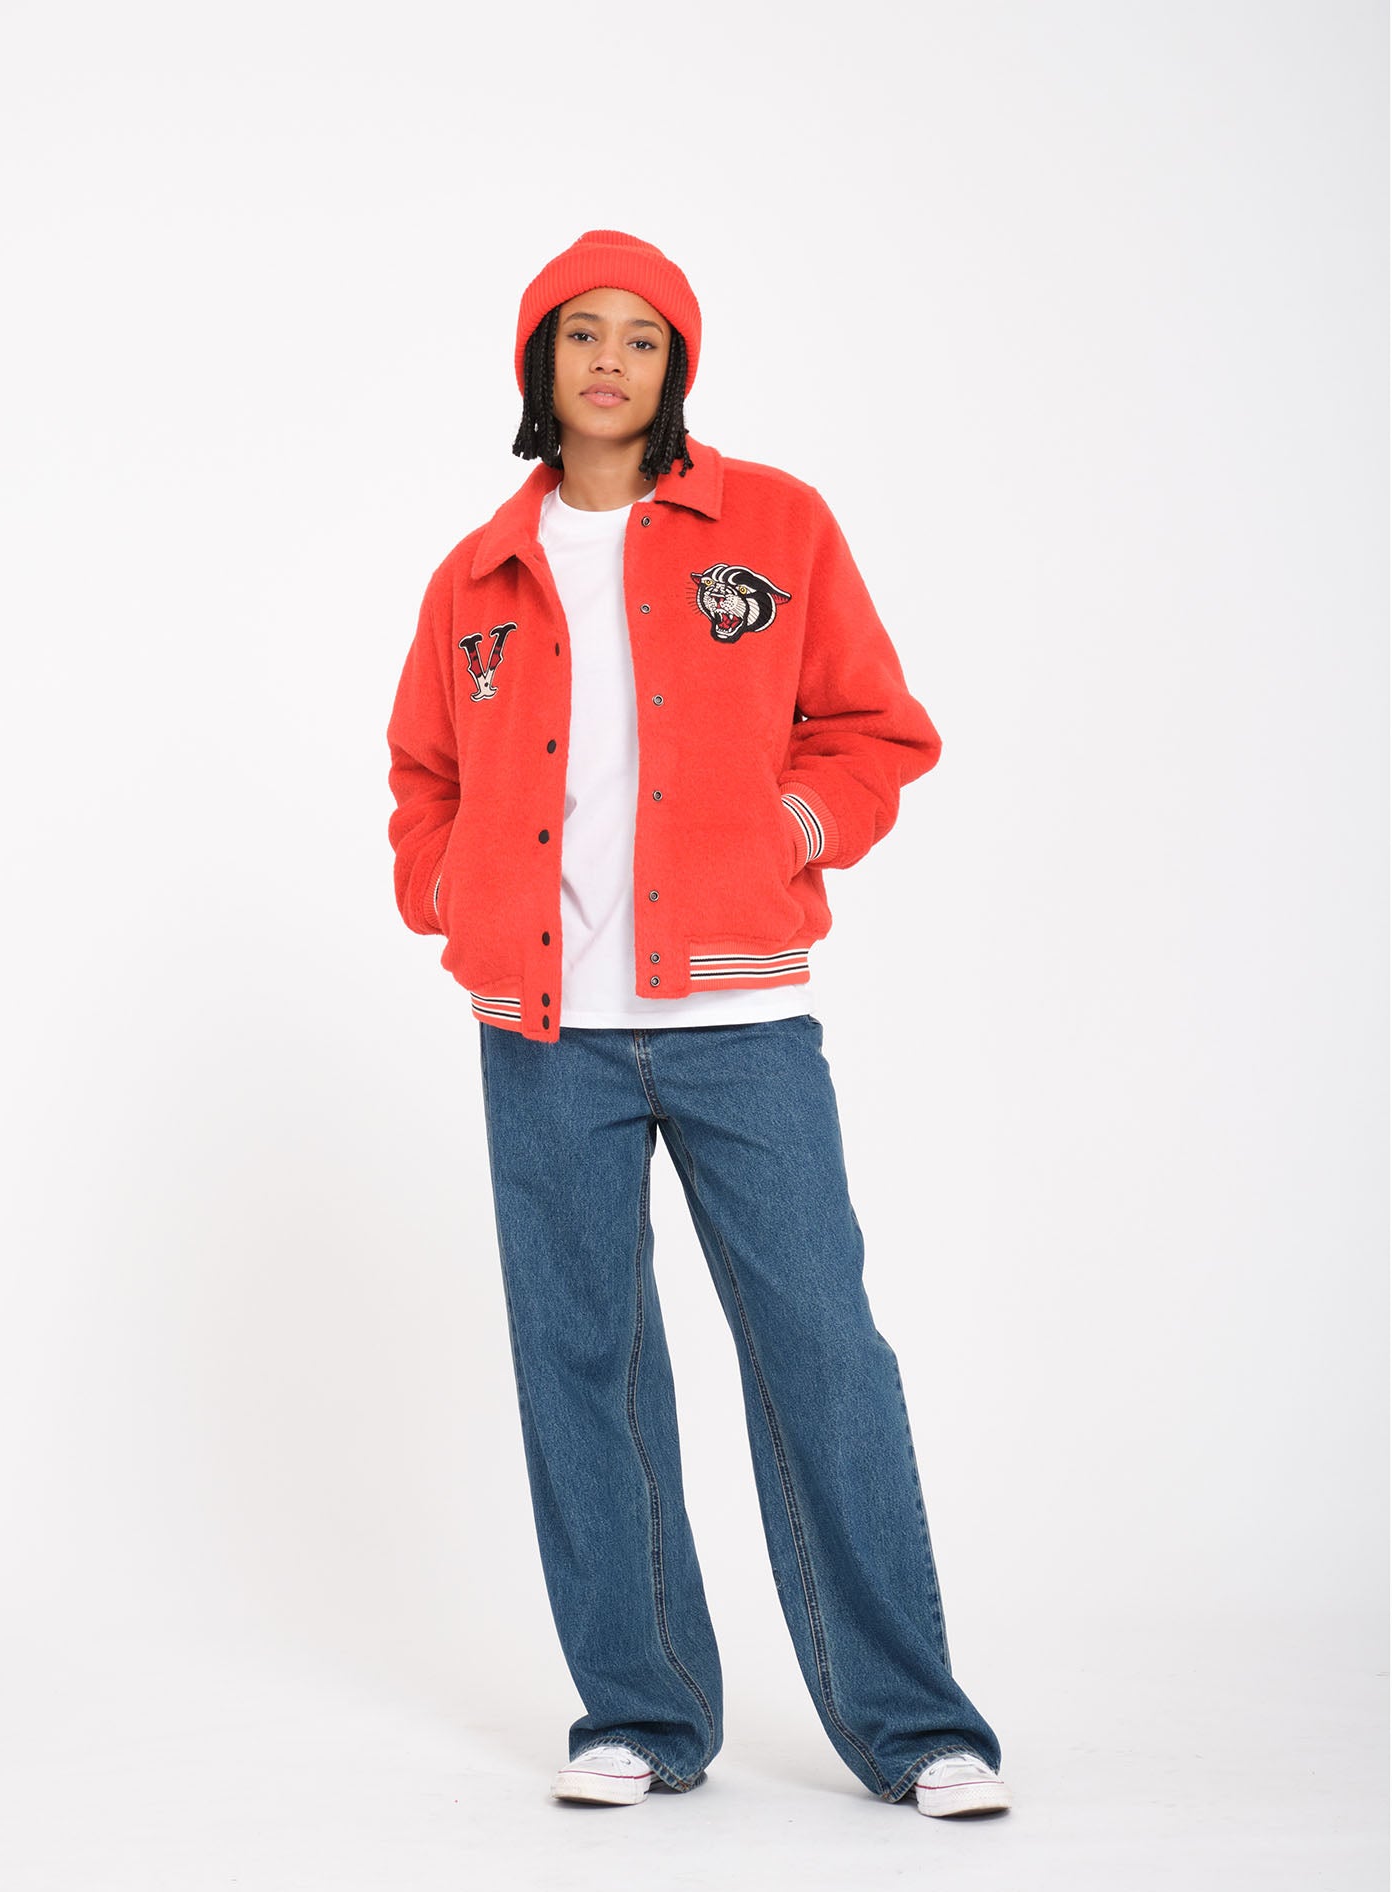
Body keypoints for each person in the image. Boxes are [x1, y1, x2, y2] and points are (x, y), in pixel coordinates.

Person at [385, 229, 1010, 1819]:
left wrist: (788, 829)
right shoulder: (476, 575)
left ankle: (914, 1725)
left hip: (740, 1014)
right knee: (582, 1364)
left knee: (822, 1352)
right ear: (538, 363)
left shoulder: (776, 526)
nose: (610, 359)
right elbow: (423, 775)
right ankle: (641, 1713)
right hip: (539, 1026)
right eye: (580, 333)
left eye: (642, 338)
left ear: (676, 369)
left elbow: (875, 729)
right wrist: (448, 889)